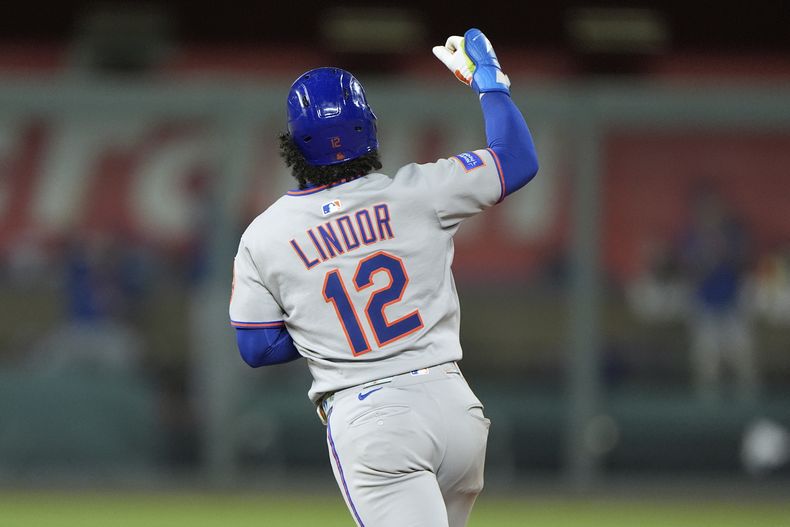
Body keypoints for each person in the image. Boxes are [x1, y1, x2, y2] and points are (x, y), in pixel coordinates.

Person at [229, 28, 538, 527]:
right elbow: (517, 160)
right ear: (370, 131)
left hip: (372, 418)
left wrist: (322, 324)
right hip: (454, 408)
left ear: (293, 146)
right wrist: (491, 86)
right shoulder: (420, 193)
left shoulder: (264, 235)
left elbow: (257, 348)